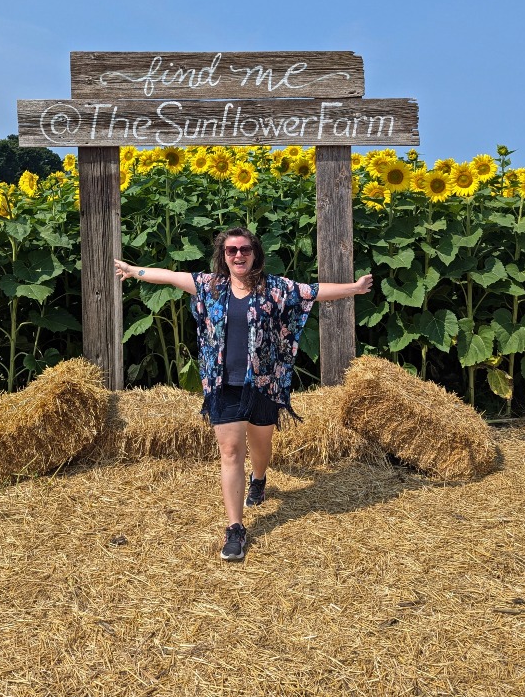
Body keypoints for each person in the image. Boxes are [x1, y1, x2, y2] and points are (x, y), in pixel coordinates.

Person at [114, 226, 373, 562]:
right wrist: (136, 271)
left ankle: (260, 478)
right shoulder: (210, 286)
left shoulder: (275, 288)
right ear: (223, 256)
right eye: (231, 250)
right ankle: (235, 528)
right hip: (222, 384)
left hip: (263, 383)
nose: (238, 255)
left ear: (255, 253)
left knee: (260, 447)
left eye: (245, 249)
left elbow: (313, 291)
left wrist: (354, 288)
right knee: (231, 450)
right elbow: (170, 276)